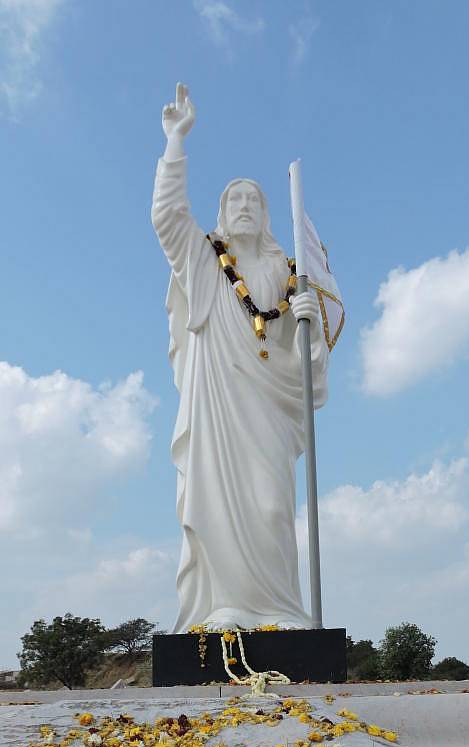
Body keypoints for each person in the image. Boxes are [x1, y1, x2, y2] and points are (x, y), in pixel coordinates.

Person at [152, 82, 329, 632]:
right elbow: (168, 217)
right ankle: (225, 606)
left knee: (272, 506)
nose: (245, 206)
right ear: (224, 212)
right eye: (236, 200)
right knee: (219, 504)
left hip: (267, 400)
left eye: (254, 200)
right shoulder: (205, 259)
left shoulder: (284, 270)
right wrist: (176, 141)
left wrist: (308, 320)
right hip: (217, 401)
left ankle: (281, 609)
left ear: (267, 213)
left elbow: (301, 354)